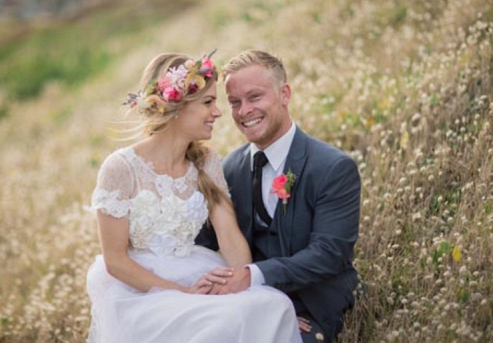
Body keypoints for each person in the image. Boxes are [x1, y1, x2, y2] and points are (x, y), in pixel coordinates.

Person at [85, 51, 302, 343]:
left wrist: (242, 284)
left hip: (197, 270)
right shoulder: (121, 168)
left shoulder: (206, 162)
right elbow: (115, 260)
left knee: (274, 305)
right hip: (141, 291)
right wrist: (181, 293)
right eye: (208, 102)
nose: (218, 112)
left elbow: (231, 240)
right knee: (223, 321)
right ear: (176, 105)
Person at [196, 50, 361, 343]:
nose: (243, 111)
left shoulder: (333, 167)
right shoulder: (228, 170)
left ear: (284, 94)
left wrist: (252, 277)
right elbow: (208, 245)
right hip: (250, 303)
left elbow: (329, 255)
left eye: (254, 97)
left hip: (312, 306)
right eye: (234, 102)